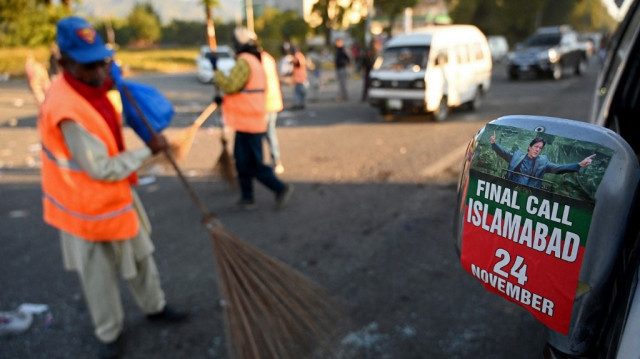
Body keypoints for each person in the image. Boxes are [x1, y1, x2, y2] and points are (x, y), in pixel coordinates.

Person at [37, 16, 187, 359]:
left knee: (141, 256)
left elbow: (111, 96)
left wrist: (114, 80)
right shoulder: (65, 109)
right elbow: (100, 167)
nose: (100, 73)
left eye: (103, 62)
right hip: (83, 205)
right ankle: (109, 334)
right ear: (64, 63)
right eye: (89, 66)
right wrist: (149, 152)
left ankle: (155, 307)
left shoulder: (94, 86)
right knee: (99, 277)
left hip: (117, 197)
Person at [211, 27, 294, 210]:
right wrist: (223, 99)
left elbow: (231, 84)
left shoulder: (245, 61)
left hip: (249, 120)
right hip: (249, 119)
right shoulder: (258, 59)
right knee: (242, 161)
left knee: (252, 163)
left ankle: (280, 188)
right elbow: (244, 90)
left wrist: (215, 70)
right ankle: (247, 197)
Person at [490, 131, 595, 189]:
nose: (537, 150)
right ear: (529, 147)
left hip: (530, 196)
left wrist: (579, 164)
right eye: (536, 146)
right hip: (511, 191)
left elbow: (559, 169)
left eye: (540, 148)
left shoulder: (543, 162)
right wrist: (493, 143)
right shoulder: (517, 156)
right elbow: (503, 152)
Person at [261, 49, 286, 174]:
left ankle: (272, 162)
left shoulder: (257, 60)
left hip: (264, 104)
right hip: (273, 102)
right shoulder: (268, 58)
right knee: (270, 133)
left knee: (263, 134)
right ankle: (276, 161)